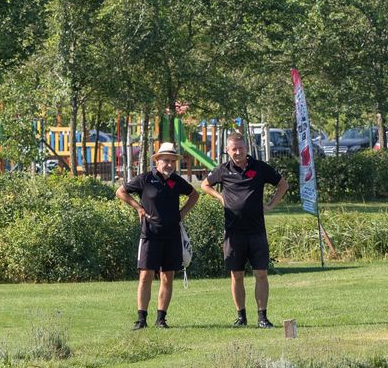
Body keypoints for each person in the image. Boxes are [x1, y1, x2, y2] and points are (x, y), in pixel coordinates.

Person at [200, 131, 288, 328]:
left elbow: (283, 184)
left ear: (246, 148)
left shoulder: (259, 167)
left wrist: (272, 204)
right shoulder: (223, 170)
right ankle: (241, 317)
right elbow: (205, 185)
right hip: (233, 233)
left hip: (256, 231)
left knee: (261, 274)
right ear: (227, 151)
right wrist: (220, 197)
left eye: (241, 148)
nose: (238, 152)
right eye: (234, 149)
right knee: (236, 275)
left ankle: (262, 317)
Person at [115, 142, 199, 329]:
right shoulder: (145, 179)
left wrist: (182, 213)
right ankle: (141, 319)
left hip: (172, 236)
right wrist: (138, 208)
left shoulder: (177, 181)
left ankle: (161, 319)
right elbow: (120, 192)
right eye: (165, 160)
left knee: (167, 277)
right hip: (150, 235)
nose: (169, 164)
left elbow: (194, 195)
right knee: (145, 276)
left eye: (172, 161)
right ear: (157, 161)